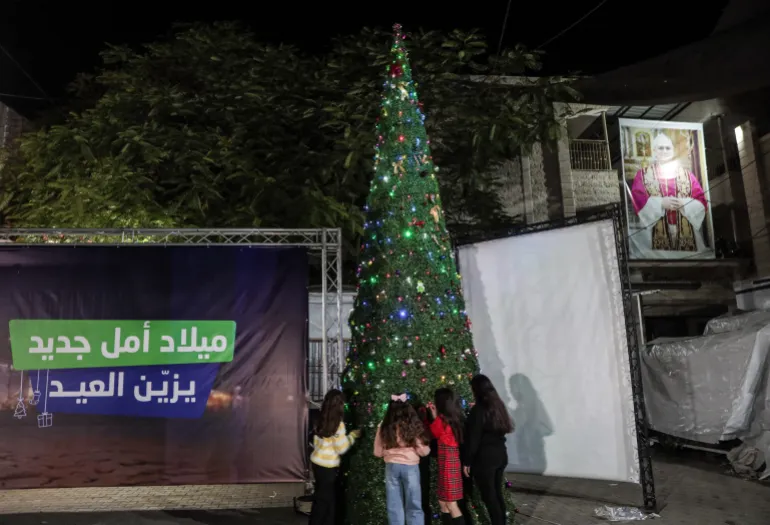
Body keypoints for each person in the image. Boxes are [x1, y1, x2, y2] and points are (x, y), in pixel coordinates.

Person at [629, 132, 708, 254]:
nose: (664, 151)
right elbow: (638, 200)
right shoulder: (643, 175)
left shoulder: (687, 175)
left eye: (668, 148)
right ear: (654, 151)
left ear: (672, 151)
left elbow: (701, 202)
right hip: (652, 237)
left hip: (687, 234)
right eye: (661, 148)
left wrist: (684, 204)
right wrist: (660, 203)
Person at [463, 374, 514, 525]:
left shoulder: (478, 411)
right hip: (500, 455)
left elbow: (474, 439)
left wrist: (467, 461)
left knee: (490, 498)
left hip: (485, 459)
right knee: (497, 495)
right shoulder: (497, 406)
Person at [374, 393, 431, 525]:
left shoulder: (384, 426)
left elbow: (377, 452)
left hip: (391, 467)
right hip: (411, 467)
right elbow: (423, 451)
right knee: (414, 505)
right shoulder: (412, 425)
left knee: (394, 505)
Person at [310, 389, 360, 525]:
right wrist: (353, 436)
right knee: (328, 504)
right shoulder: (338, 424)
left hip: (317, 463)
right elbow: (341, 448)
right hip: (328, 467)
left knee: (320, 500)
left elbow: (316, 441)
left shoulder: (320, 418)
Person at [427, 388, 466, 525]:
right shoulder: (454, 418)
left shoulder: (444, 420)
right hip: (447, 464)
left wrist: (434, 417)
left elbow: (433, 433)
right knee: (443, 502)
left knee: (451, 504)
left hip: (449, 465)